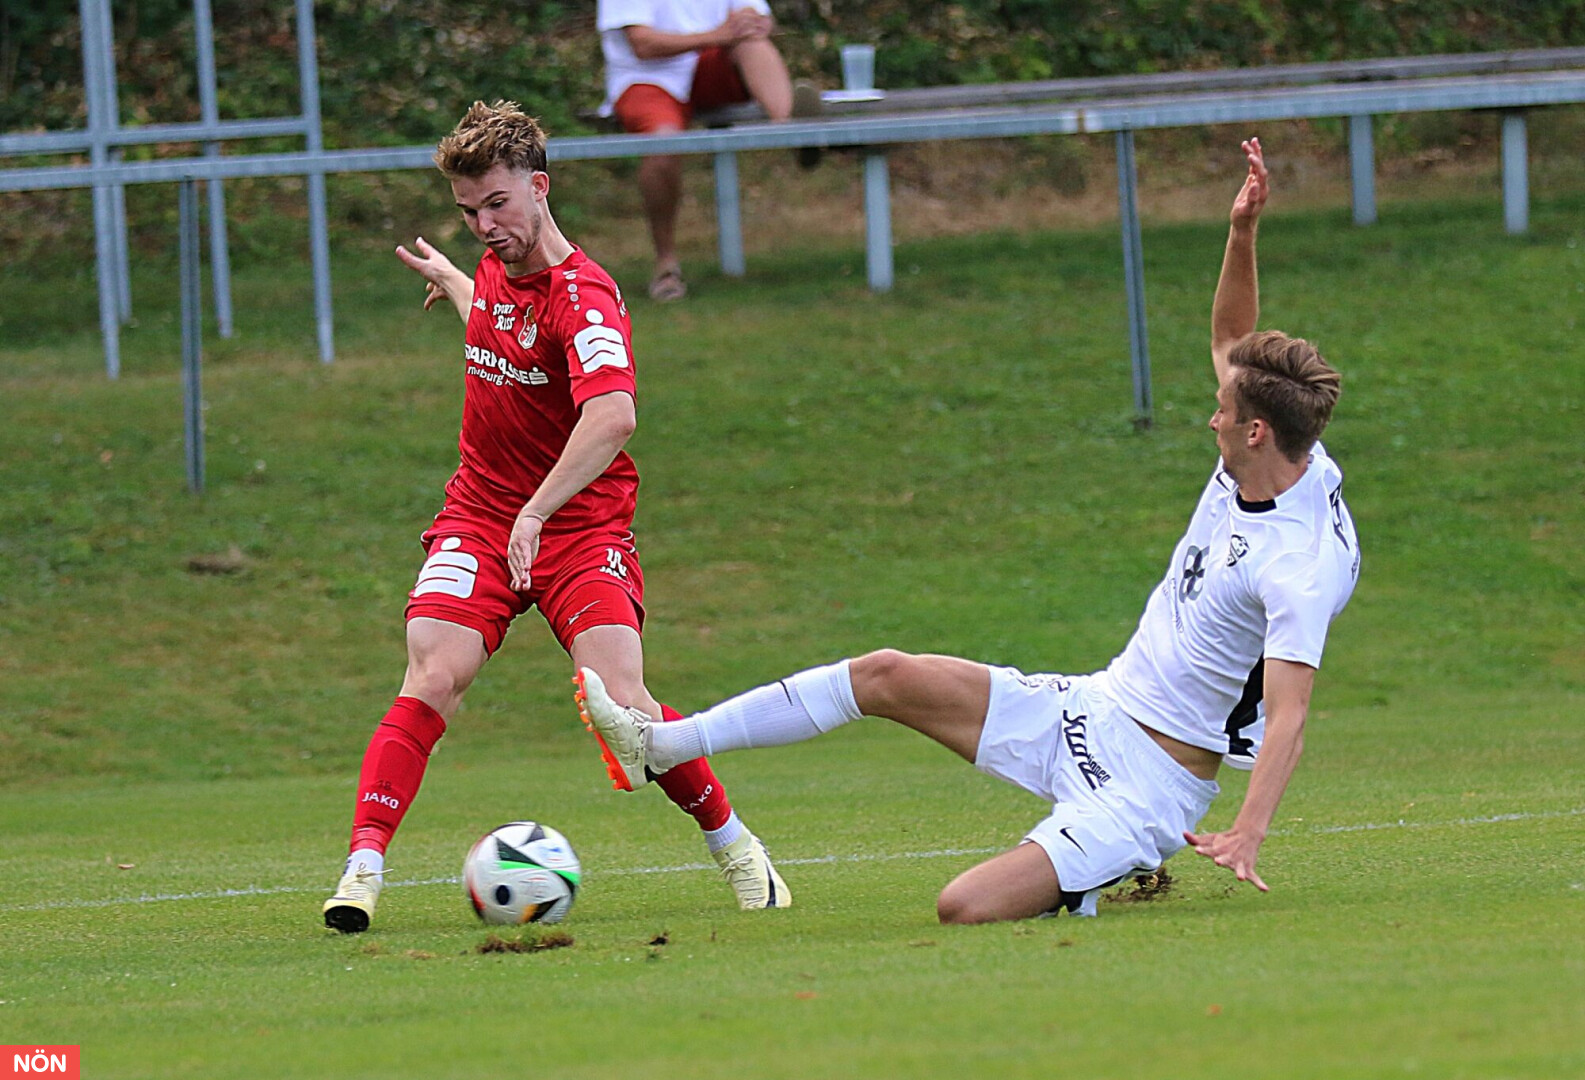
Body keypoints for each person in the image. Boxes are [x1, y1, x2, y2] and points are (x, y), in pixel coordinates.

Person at [575, 137, 1360, 923]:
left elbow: (1289, 711)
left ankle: (1095, 868)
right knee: (886, 673)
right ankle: (665, 745)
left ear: (1256, 433)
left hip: (1153, 784)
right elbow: (1231, 337)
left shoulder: (1295, 563)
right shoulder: (1277, 447)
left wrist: (1248, 832)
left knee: (965, 906)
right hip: (1092, 708)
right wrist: (1242, 231)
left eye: (1225, 413)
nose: (1211, 413)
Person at [322, 100, 790, 934]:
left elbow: (613, 416)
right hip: (479, 513)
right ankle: (362, 869)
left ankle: (738, 848)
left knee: (623, 702)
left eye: (497, 205)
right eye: (468, 212)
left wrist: (538, 513)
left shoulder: (588, 295)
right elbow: (508, 334)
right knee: (431, 676)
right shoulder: (494, 267)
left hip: (578, 527)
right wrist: (462, 288)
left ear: (538, 188)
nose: (483, 226)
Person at [597, 0, 817, 301]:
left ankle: (791, 129)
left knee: (752, 42)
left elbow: (757, 17)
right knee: (663, 145)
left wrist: (756, 23)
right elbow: (643, 44)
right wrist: (720, 34)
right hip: (646, 77)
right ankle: (666, 265)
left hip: (707, 67)